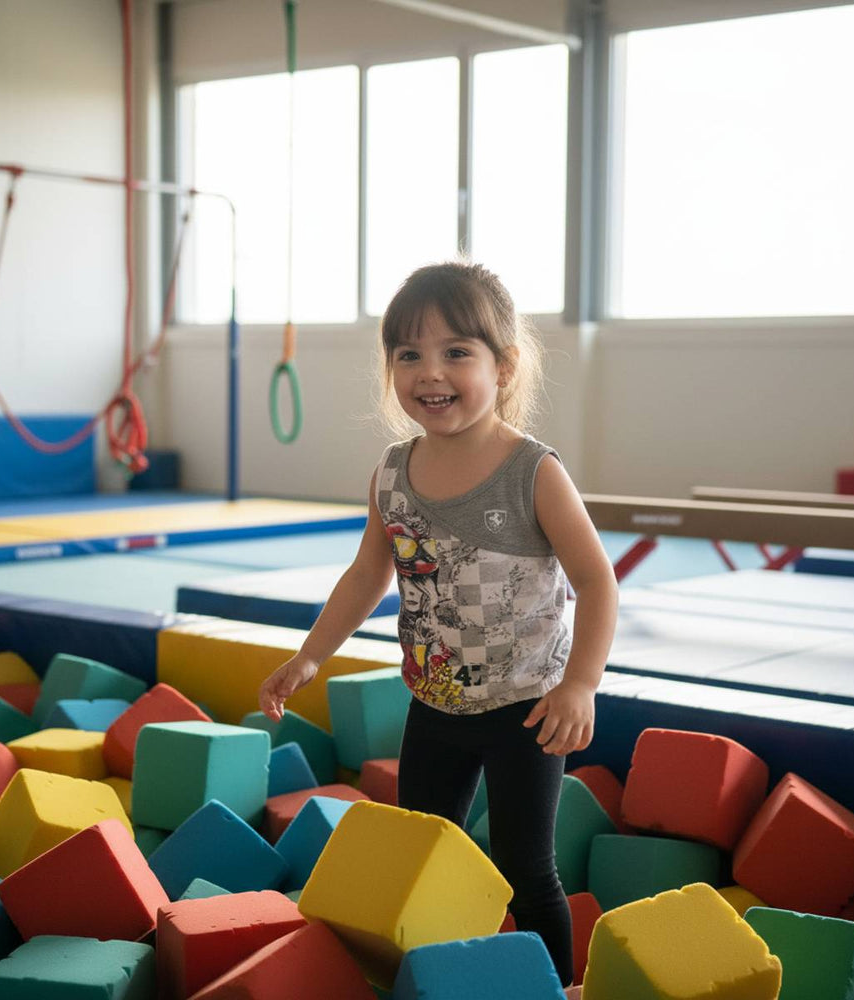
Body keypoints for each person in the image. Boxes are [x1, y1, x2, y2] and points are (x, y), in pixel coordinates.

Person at [258, 260, 618, 986]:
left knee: (524, 864)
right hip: (436, 704)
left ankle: (553, 986)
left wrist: (580, 683)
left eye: (456, 351)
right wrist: (311, 655)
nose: (430, 372)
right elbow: (368, 573)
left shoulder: (532, 472)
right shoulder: (393, 473)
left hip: (526, 708)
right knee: (426, 850)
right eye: (408, 354)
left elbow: (596, 580)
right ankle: (439, 973)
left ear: (503, 366)